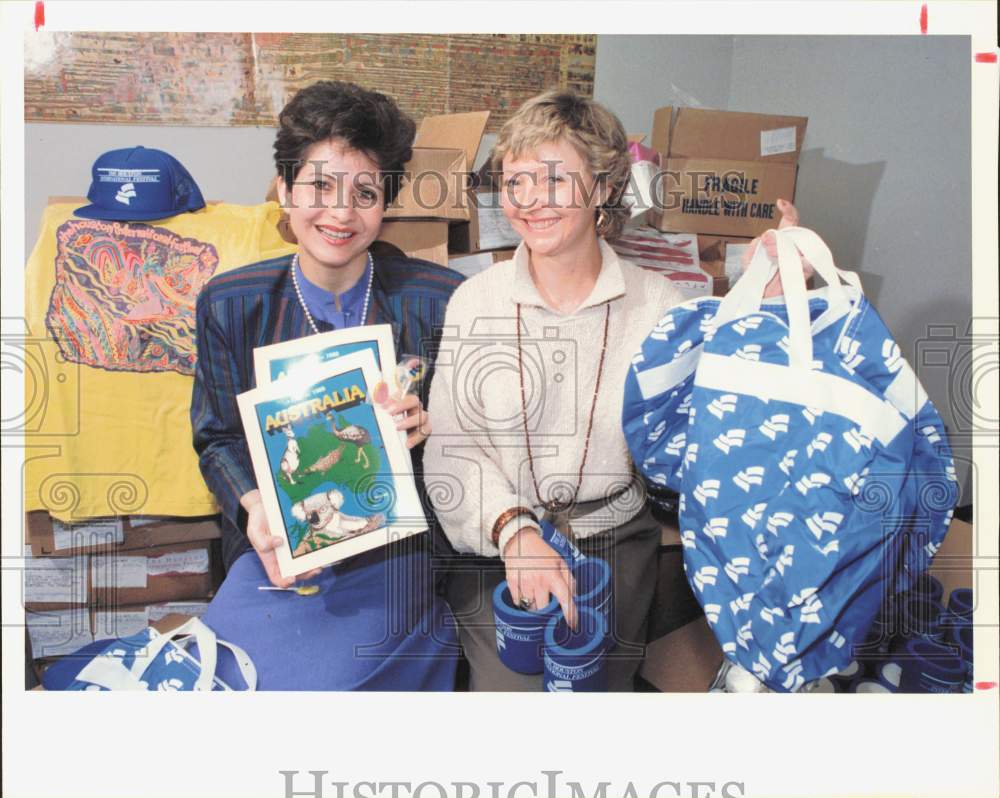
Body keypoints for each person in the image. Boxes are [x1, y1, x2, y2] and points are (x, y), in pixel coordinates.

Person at [423, 90, 801, 691]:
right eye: (516, 182)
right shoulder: (477, 301)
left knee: (599, 701)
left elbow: (725, 422)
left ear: (602, 187)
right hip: (499, 545)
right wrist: (516, 532)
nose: (530, 202)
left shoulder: (660, 304)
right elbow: (452, 447)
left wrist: (772, 303)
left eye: (553, 179)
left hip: (615, 550)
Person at [190, 80, 464, 690]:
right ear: (285, 189)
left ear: (386, 202)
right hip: (276, 550)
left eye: (364, 192)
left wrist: (434, 429)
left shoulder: (436, 300)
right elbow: (215, 440)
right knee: (234, 682)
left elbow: (478, 452)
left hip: (397, 554)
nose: (341, 213)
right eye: (320, 186)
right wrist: (255, 506)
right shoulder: (231, 304)